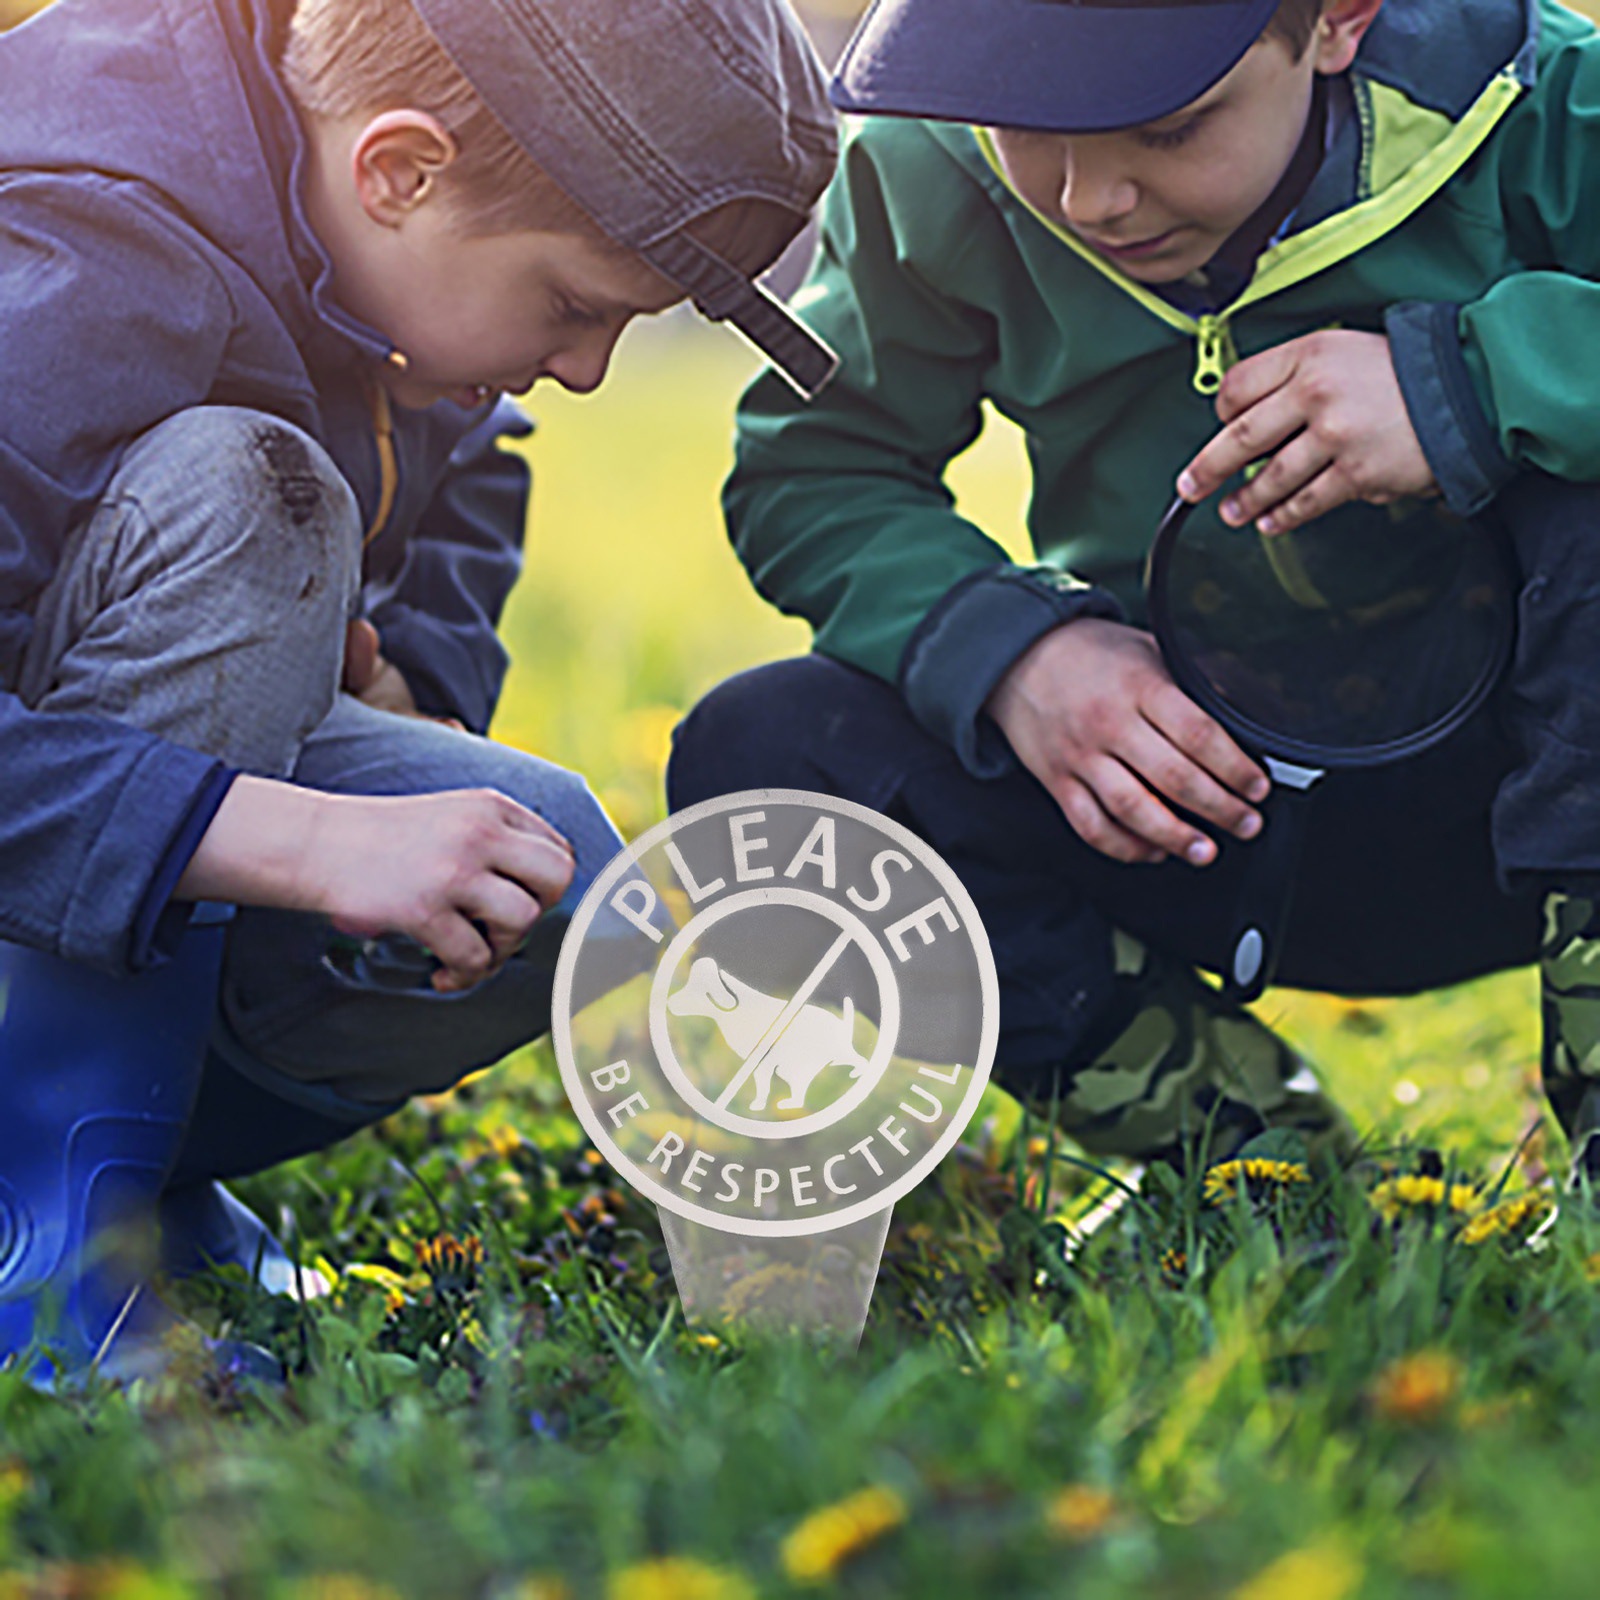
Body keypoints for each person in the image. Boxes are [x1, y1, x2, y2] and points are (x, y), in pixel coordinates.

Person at [0, 0, 838, 1379]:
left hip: (86, 831)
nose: (584, 368)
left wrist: (414, 687)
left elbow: (468, 454)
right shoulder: (88, 238)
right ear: (400, 168)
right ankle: (41, 1243)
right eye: (574, 306)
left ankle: (133, 1181)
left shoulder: (360, 219)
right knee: (244, 499)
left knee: (538, 866)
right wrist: (318, 840)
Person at [670, 0, 1600, 1192]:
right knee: (768, 755)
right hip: (1202, 803)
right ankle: (1263, 1168)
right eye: (1029, 128)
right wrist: (1015, 656)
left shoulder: (1547, 106)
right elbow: (815, 466)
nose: (1086, 199)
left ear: (1337, 21)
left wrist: (1475, 383)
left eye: (1164, 131)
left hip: (1540, 785)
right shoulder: (929, 164)